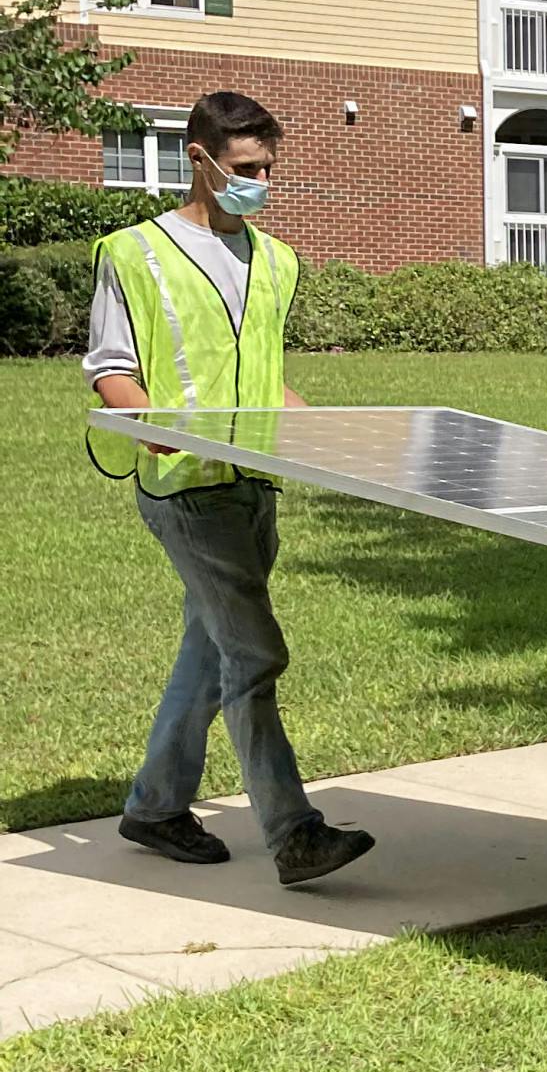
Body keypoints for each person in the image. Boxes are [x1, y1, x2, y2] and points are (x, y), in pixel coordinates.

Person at [84, 91, 376, 887]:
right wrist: (151, 423)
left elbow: (266, 382)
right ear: (200, 158)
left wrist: (339, 440)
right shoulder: (132, 253)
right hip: (186, 488)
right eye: (246, 169)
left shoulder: (276, 261)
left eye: (268, 169)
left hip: (255, 489)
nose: (259, 182)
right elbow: (112, 370)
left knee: (208, 651)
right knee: (253, 653)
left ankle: (154, 806)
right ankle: (295, 834)